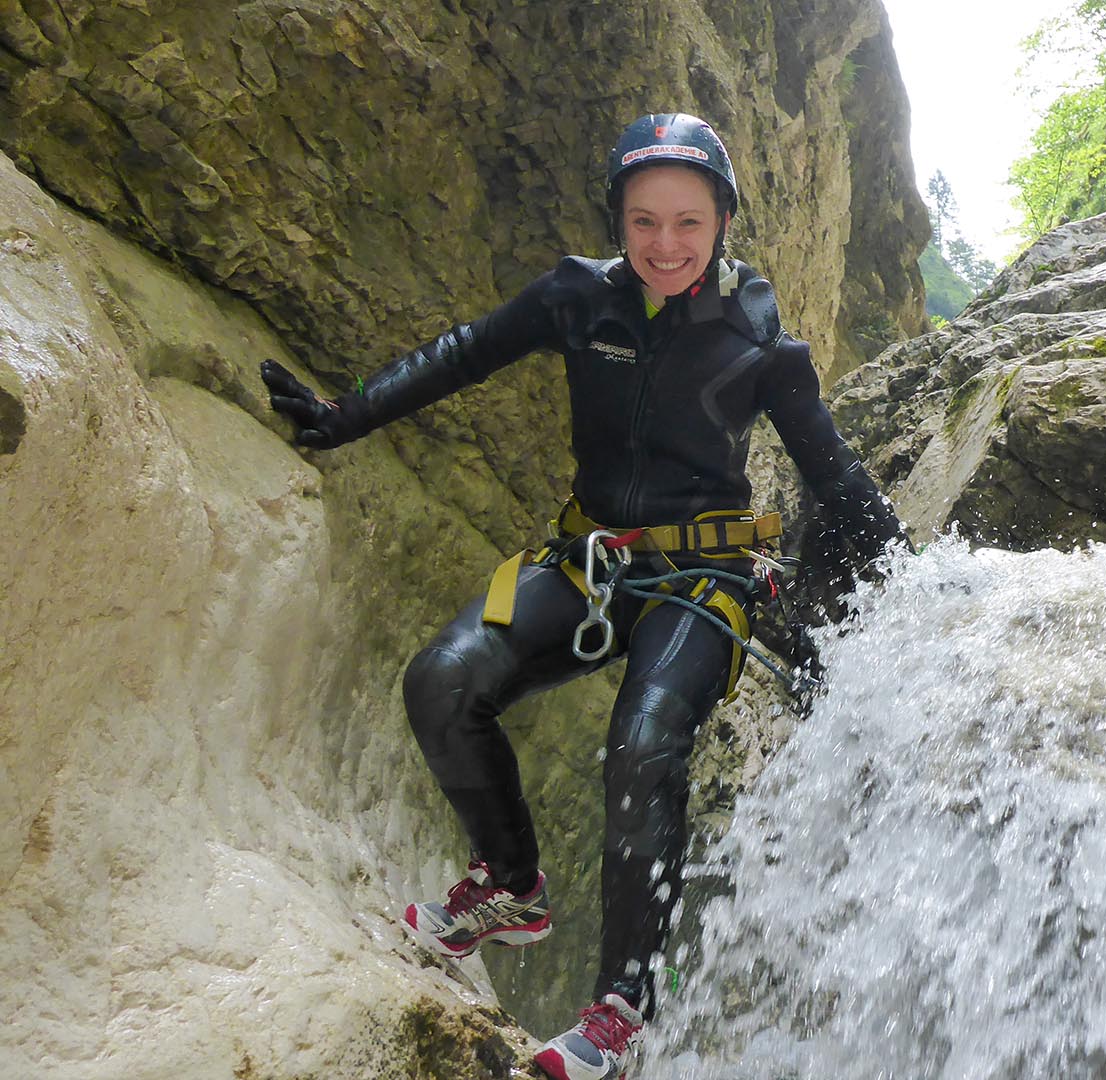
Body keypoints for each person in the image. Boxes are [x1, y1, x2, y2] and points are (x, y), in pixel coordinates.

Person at [260, 112, 907, 1080]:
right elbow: (461, 354)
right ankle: (512, 885)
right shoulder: (575, 296)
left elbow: (837, 478)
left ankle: (621, 1012)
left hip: (703, 580)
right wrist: (340, 416)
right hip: (589, 560)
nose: (665, 244)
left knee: (646, 741)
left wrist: (915, 583)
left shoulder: (759, 335)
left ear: (724, 219)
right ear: (618, 218)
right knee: (442, 680)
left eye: (689, 221)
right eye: (644, 220)